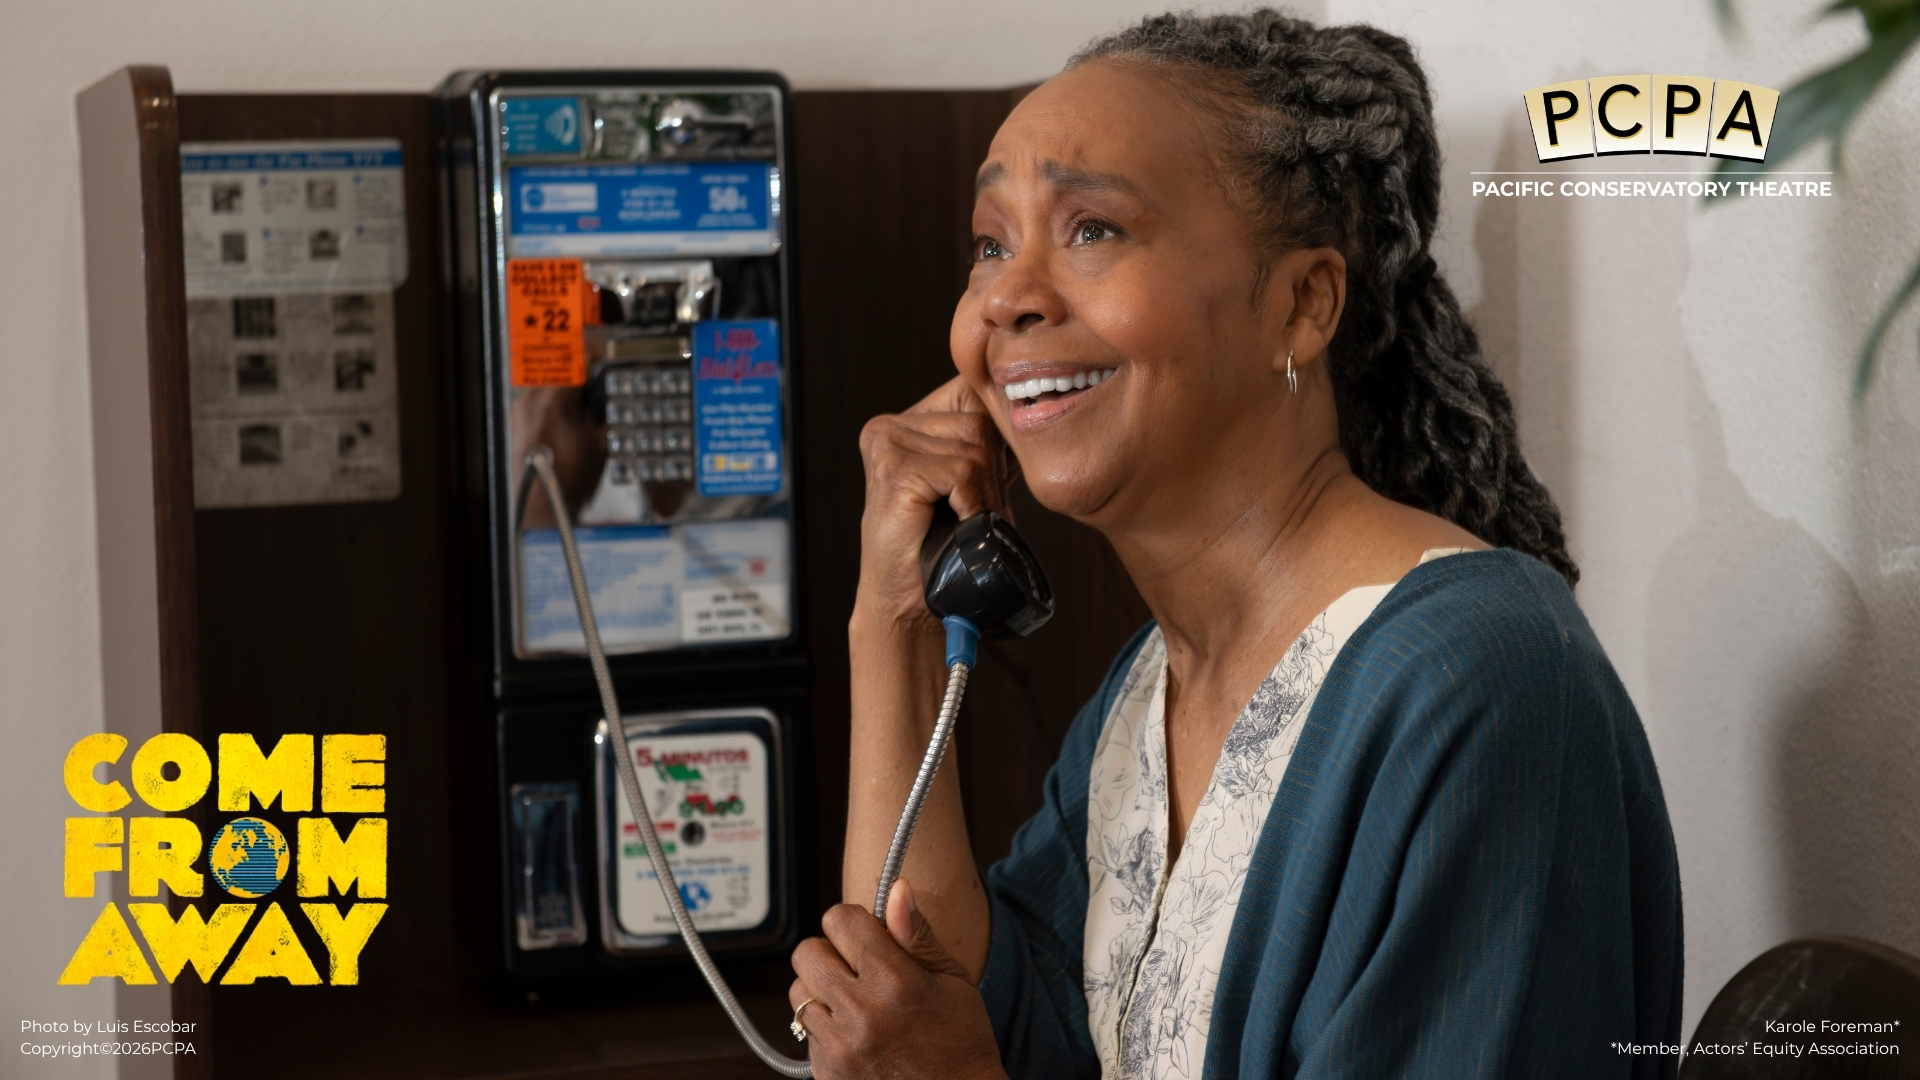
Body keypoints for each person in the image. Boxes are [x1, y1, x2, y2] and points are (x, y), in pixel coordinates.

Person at [787, 11, 1683, 1080]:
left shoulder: (1484, 682)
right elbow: (941, 999)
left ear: (1302, 305)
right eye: (990, 244)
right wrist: (893, 622)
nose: (1008, 299)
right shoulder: (1144, 699)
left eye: (1092, 230)